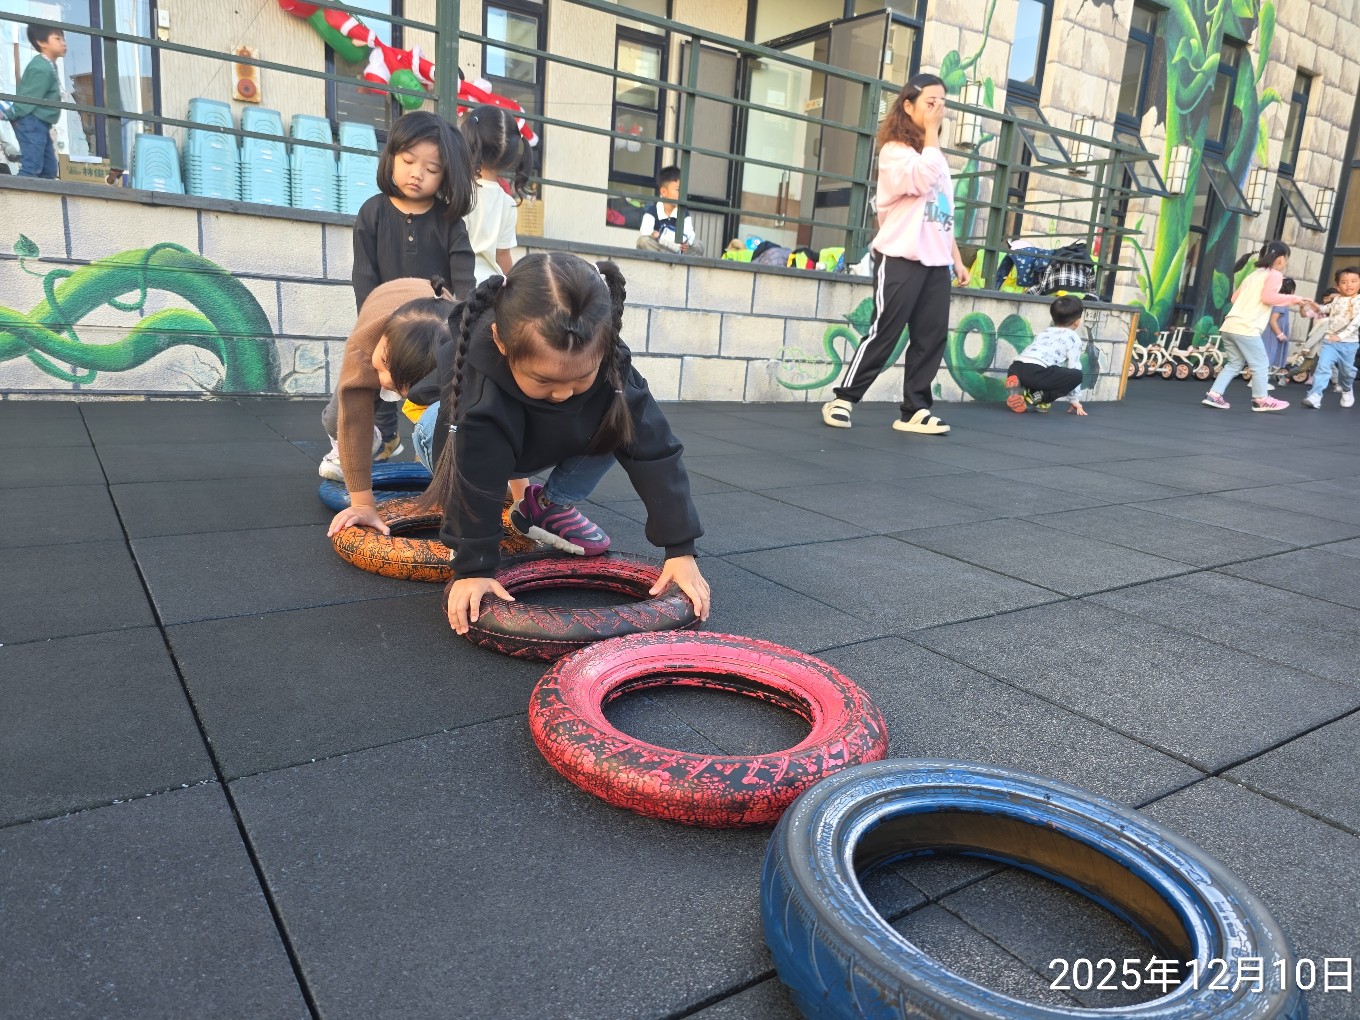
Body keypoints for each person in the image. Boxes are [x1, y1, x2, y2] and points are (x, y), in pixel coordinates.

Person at [416, 252, 711, 634]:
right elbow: (472, 477)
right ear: (501, 343)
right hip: (447, 443)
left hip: (536, 440)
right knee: (469, 449)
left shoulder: (611, 367)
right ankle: (510, 487)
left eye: (579, 379)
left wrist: (681, 550)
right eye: (544, 381)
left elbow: (656, 452)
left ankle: (545, 505)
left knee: (619, 420)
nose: (562, 394)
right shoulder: (479, 395)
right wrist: (473, 567)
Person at [320, 110, 477, 481]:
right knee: (349, 399)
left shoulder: (450, 223)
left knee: (434, 398)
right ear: (391, 157)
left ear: (446, 175)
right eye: (408, 161)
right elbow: (364, 275)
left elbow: (464, 278)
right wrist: (371, 324)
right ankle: (365, 441)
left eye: (431, 168)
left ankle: (440, 452)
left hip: (432, 332)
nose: (416, 173)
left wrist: (466, 325)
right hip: (384, 323)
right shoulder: (373, 212)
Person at [820, 72, 971, 436]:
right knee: (885, 332)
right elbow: (922, 178)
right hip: (901, 257)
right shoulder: (894, 153)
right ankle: (843, 399)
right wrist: (932, 133)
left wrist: (956, 259)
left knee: (931, 338)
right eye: (930, 102)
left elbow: (943, 213)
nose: (938, 110)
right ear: (908, 105)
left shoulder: (935, 157)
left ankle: (915, 409)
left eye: (943, 103)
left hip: (936, 263)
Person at [323, 278, 454, 537]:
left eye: (395, 384)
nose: (382, 381)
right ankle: (364, 441)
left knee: (440, 413)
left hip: (438, 321)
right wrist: (362, 503)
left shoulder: (460, 352)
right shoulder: (363, 350)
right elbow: (353, 421)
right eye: (383, 368)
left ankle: (425, 447)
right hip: (384, 300)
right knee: (337, 419)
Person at [1201, 241, 1315, 412]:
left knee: (1234, 363)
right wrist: (1295, 299)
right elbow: (1268, 298)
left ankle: (1214, 395)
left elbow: (1234, 299)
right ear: (1281, 259)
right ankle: (1261, 399)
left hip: (1229, 326)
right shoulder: (1275, 275)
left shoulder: (1253, 275)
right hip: (1247, 327)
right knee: (1261, 364)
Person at [461, 103, 533, 285]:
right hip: (491, 288)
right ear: (509, 161)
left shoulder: (458, 190)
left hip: (455, 282)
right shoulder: (508, 203)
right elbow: (503, 255)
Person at [1004, 295, 1090, 416]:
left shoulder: (1044, 332)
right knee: (1076, 375)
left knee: (1048, 373)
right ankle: (1033, 399)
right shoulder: (1073, 337)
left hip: (1016, 367)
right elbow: (1074, 366)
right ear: (1077, 321)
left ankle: (1016, 387)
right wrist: (1074, 399)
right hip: (1036, 372)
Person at [10, 24, 66, 179]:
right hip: (30, 121)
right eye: (57, 39)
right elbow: (28, 98)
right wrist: (12, 114)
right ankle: (12, 193)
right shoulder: (40, 68)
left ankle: (35, 195)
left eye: (63, 39)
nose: (63, 43)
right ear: (41, 42)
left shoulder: (49, 65)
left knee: (49, 170)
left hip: (40, 123)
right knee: (32, 167)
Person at [1301, 266, 1360, 410]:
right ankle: (1315, 396)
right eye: (1344, 282)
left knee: (1347, 372)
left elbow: (1356, 323)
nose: (1349, 285)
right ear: (1338, 286)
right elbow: (1323, 309)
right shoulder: (1336, 300)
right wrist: (1312, 304)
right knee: (1322, 367)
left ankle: (1347, 389)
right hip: (1330, 342)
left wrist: (1341, 336)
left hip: (1349, 344)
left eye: (1353, 281)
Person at [636, 166, 705, 257]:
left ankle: (671, 258)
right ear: (663, 192)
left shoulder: (684, 213)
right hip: (660, 249)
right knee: (643, 241)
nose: (682, 194)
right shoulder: (652, 211)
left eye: (683, 190)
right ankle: (670, 258)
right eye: (678, 190)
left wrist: (687, 243)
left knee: (699, 245)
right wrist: (655, 235)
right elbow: (645, 231)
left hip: (678, 249)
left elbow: (689, 233)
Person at [1263, 277, 1296, 378]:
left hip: (1273, 333)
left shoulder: (1279, 300)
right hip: (1273, 334)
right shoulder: (1281, 302)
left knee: (1268, 356)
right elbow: (1273, 320)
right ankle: (1260, 381)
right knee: (1269, 355)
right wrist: (1280, 334)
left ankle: (1261, 380)